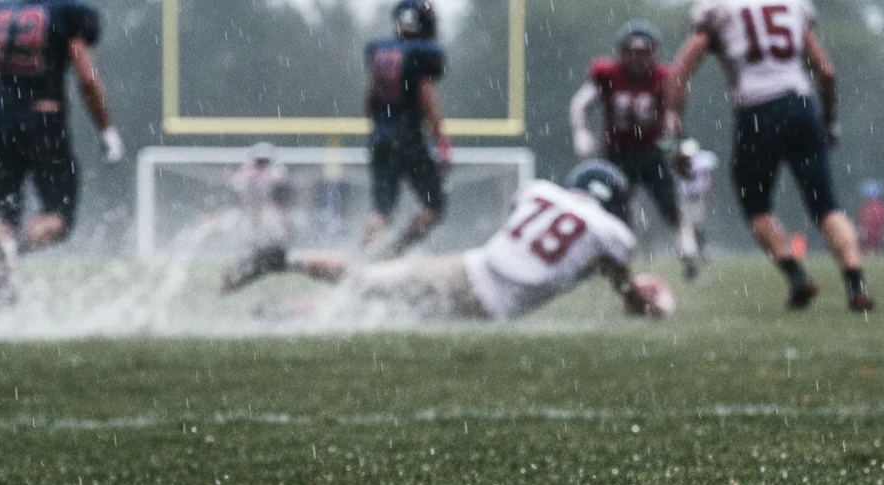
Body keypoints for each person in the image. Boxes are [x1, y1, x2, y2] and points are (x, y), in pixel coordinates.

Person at [221, 161, 670, 322]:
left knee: (369, 297)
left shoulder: (539, 190)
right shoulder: (614, 235)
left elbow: (525, 225)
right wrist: (652, 302)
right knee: (365, 294)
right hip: (480, 298)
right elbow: (629, 296)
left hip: (468, 271)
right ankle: (283, 269)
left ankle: (280, 297)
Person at [665, 0, 874, 311]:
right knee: (826, 204)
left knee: (756, 206)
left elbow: (680, 72)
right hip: (801, 107)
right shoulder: (791, 6)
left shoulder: (718, 9)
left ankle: (797, 276)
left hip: (756, 111)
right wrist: (830, 120)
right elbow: (826, 73)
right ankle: (856, 284)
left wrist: (674, 130)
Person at [0, 0, 125, 306]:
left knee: (6, 216)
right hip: (44, 122)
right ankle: (13, 247)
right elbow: (86, 78)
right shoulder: (68, 13)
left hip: (0, 124)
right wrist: (106, 129)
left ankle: (0, 304)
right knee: (58, 217)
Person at [570, 20, 701, 279]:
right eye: (633, 51)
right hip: (616, 156)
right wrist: (581, 131)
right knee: (610, 216)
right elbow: (580, 103)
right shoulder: (607, 74)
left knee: (673, 211)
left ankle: (690, 258)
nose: (638, 58)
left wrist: (676, 145)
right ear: (622, 51)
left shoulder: (664, 78)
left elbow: (672, 119)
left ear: (654, 52)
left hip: (651, 154)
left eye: (644, 52)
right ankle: (609, 263)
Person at [362, 0, 450, 258]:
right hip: (408, 136)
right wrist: (441, 141)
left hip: (380, 136)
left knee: (381, 211)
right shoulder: (423, 53)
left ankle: (362, 259)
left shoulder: (380, 50)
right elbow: (427, 99)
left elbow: (369, 99)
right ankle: (394, 252)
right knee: (435, 207)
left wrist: (382, 126)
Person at [220, 143, 296, 291]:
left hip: (268, 215)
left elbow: (283, 198)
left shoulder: (276, 173)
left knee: (270, 245)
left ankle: (260, 262)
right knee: (253, 246)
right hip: (250, 215)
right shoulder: (247, 174)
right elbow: (242, 196)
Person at [672, 138, 719, 263]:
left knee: (699, 226)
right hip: (683, 199)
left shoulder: (701, 160)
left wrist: (711, 190)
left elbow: (708, 176)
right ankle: (689, 254)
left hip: (697, 198)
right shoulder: (678, 162)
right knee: (686, 227)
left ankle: (699, 250)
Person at [857, 180, 884, 254]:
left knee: (869, 248)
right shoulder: (880, 206)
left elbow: (865, 221)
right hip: (875, 232)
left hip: (871, 232)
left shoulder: (869, 206)